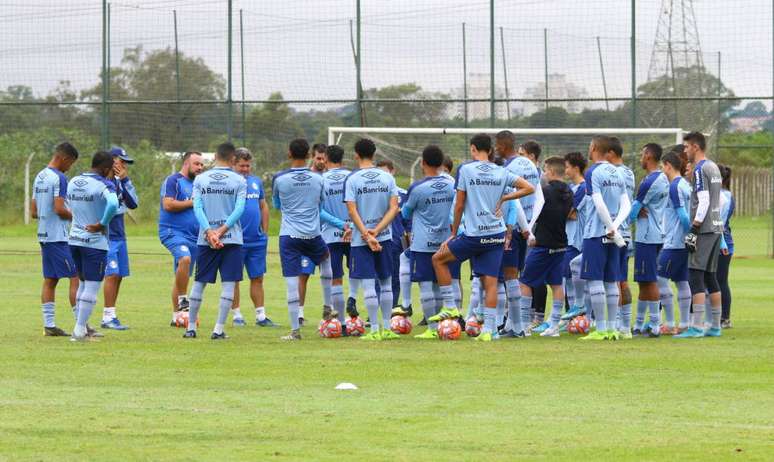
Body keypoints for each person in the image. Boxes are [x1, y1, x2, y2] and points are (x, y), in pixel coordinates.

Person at [430, 134, 534, 342]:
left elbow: (459, 204)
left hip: (474, 235)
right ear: (491, 149)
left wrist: (452, 234)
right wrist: (506, 196)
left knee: (438, 259)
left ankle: (450, 307)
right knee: (491, 283)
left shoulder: (466, 170)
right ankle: (488, 330)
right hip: (496, 234)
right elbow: (529, 188)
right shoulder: (502, 171)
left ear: (473, 149)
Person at [273, 139, 337, 341]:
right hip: (313, 234)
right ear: (309, 154)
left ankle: (295, 331)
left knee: (292, 280)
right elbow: (320, 203)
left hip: (289, 235)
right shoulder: (318, 179)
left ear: (289, 153)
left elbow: (276, 204)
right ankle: (327, 305)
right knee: (326, 259)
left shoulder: (280, 179)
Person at [184, 142, 247, 340]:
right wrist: (221, 231)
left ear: (215, 157)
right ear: (233, 159)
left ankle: (191, 328)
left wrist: (210, 231)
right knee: (228, 284)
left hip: (206, 239)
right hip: (232, 239)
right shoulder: (239, 180)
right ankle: (218, 330)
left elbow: (197, 208)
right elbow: (239, 209)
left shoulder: (201, 179)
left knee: (199, 282)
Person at [344, 138, 401, 341]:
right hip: (384, 237)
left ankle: (374, 330)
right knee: (386, 283)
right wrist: (377, 231)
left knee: (368, 284)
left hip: (361, 240)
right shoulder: (387, 178)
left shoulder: (352, 179)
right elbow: (394, 207)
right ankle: (387, 329)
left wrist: (366, 234)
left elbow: (352, 210)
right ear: (374, 154)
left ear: (356, 155)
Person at [579, 135, 631, 341]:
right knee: (611, 281)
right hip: (614, 234)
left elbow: (598, 203)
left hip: (596, 232)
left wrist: (609, 227)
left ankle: (600, 329)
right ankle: (612, 328)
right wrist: (616, 228)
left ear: (593, 148)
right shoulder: (618, 173)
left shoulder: (593, 172)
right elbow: (626, 204)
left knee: (594, 280)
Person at [401, 145, 455, 339]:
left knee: (425, 286)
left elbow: (405, 213)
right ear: (442, 163)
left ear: (422, 163)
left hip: (423, 243)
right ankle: (444, 325)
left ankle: (432, 329)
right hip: (446, 242)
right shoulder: (452, 185)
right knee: (441, 284)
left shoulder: (417, 188)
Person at [675, 131, 725, 338]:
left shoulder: (699, 169)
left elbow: (703, 201)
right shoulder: (714, 167)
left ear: (695, 147)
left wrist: (694, 228)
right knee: (711, 277)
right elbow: (719, 200)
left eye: (686, 147)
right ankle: (715, 326)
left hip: (703, 230)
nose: (685, 151)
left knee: (695, 275)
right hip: (716, 227)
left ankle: (696, 327)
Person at [67, 151, 119, 341]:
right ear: (105, 169)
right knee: (92, 285)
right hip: (94, 243)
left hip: (74, 239)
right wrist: (102, 223)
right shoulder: (104, 184)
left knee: (81, 283)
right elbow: (113, 203)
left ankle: (78, 327)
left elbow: (68, 205)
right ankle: (80, 331)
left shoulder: (73, 181)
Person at [519, 156, 573, 337]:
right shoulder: (569, 192)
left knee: (525, 282)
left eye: (544, 170)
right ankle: (554, 326)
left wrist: (529, 232)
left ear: (549, 171)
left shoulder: (544, 192)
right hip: (561, 245)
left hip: (542, 244)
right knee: (556, 284)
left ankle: (524, 325)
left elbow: (535, 214)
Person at [31, 142, 80, 336]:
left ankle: (49, 325)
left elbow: (34, 212)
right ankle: (81, 324)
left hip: (43, 234)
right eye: (71, 164)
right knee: (75, 276)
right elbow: (60, 209)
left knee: (50, 279)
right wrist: (78, 218)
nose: (70, 168)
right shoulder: (59, 178)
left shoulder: (39, 176)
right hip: (58, 237)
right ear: (65, 158)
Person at [496, 131, 539, 337]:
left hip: (514, 228)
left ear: (503, 146)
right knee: (515, 276)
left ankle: (518, 327)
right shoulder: (530, 164)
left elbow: (515, 203)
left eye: (497, 145)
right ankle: (512, 324)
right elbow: (539, 197)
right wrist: (531, 226)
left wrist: (523, 227)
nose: (495, 149)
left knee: (510, 277)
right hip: (528, 228)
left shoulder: (509, 169)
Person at [230, 148, 275, 327]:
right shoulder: (229, 183)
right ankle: (237, 315)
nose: (245, 169)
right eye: (241, 165)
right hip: (236, 240)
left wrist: (264, 232)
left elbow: (263, 206)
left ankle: (261, 316)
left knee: (257, 277)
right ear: (233, 164)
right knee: (234, 278)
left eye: (248, 165)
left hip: (256, 241)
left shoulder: (256, 182)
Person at [159, 151, 205, 325]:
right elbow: (168, 204)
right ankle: (184, 302)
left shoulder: (199, 184)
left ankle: (176, 317)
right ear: (186, 164)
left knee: (182, 275)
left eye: (202, 165)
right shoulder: (173, 181)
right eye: (197, 164)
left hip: (194, 237)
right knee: (184, 259)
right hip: (172, 232)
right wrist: (192, 202)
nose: (200, 167)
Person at [628, 143, 669, 338]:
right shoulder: (662, 177)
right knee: (644, 281)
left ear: (649, 156)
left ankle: (654, 325)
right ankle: (639, 324)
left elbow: (634, 210)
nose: (640, 157)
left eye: (643, 154)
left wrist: (626, 217)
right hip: (656, 234)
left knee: (649, 281)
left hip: (647, 236)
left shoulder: (650, 181)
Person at [101, 147, 139, 330]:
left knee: (119, 276)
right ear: (111, 161)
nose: (123, 165)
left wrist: (124, 179)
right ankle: (106, 316)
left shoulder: (122, 181)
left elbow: (133, 203)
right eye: (121, 161)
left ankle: (112, 314)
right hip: (105, 236)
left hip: (120, 236)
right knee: (112, 273)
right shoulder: (100, 182)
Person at [656, 151, 692, 335]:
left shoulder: (675, 186)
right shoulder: (686, 185)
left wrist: (689, 236)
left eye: (663, 166)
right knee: (681, 281)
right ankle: (684, 323)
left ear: (668, 165)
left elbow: (684, 216)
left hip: (675, 242)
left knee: (660, 279)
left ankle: (669, 324)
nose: (663, 170)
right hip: (682, 244)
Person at [606, 136, 635, 334]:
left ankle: (617, 324)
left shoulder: (614, 174)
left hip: (615, 233)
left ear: (610, 153)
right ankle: (625, 326)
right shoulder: (629, 172)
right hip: (626, 232)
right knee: (621, 280)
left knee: (613, 280)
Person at [320, 144, 352, 324]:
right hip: (354, 235)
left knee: (336, 278)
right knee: (359, 277)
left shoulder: (321, 180)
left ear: (325, 159)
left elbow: (320, 211)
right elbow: (359, 207)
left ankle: (340, 322)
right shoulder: (351, 177)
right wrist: (350, 226)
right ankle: (360, 318)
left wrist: (341, 225)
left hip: (331, 236)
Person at [376, 159, 411, 316]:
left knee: (396, 277)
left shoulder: (403, 194)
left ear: (393, 171)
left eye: (385, 172)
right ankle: (376, 310)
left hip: (398, 241)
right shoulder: (375, 194)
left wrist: (410, 240)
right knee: (380, 276)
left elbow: (408, 220)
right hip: (380, 239)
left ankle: (393, 309)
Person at [561, 151, 589, 321]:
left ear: (576, 168)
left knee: (575, 276)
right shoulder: (571, 188)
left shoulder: (583, 188)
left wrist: (562, 212)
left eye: (567, 167)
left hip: (577, 240)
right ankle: (574, 315)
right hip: (568, 238)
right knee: (568, 276)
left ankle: (582, 314)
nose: (565, 171)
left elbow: (570, 213)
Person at [718, 165, 734, 328]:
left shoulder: (725, 196)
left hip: (723, 243)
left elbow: (720, 223)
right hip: (721, 241)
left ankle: (725, 318)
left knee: (720, 280)